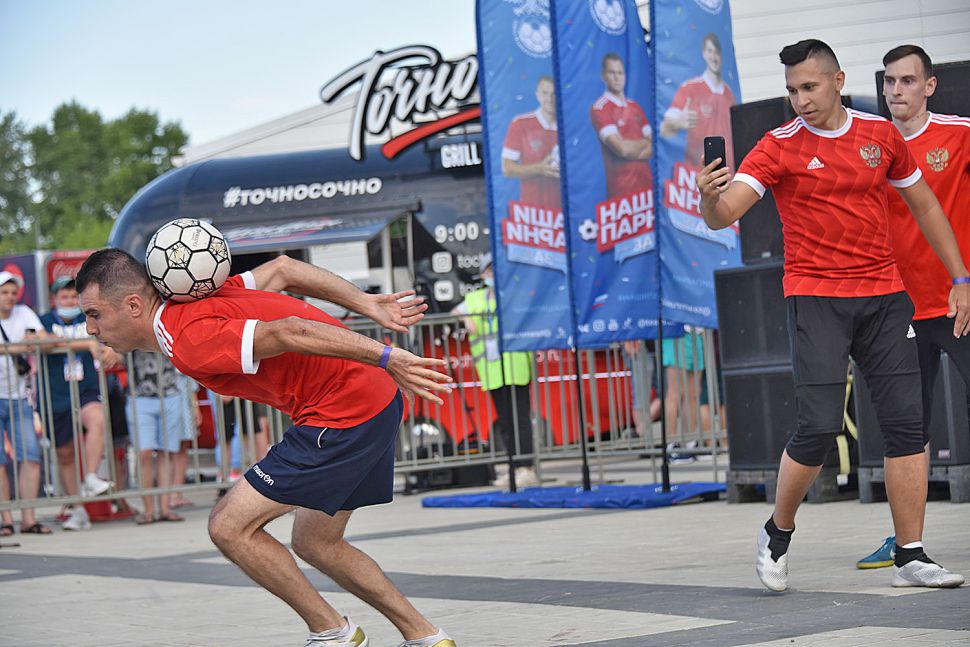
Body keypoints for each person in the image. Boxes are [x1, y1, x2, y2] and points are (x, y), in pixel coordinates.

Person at [76, 250, 457, 647]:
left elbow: (289, 330)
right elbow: (283, 269)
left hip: (343, 410)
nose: (89, 328)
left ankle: (333, 633)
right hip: (368, 400)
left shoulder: (186, 337)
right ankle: (427, 638)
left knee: (229, 526)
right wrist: (365, 303)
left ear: (133, 305)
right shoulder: (196, 294)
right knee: (317, 543)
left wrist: (387, 356)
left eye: (94, 314)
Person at [697, 38, 967, 590]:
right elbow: (724, 215)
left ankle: (910, 555)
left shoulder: (880, 135)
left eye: (809, 87)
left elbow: (925, 206)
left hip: (885, 297)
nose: (800, 100)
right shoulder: (777, 146)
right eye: (792, 90)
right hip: (816, 297)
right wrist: (708, 197)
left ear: (838, 81)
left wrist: (960, 277)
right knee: (817, 427)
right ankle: (777, 532)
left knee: (906, 426)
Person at [856, 45, 970, 571]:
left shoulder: (959, 134)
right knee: (908, 430)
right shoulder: (870, 145)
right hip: (897, 310)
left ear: (929, 86)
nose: (896, 90)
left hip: (957, 301)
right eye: (889, 81)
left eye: (906, 80)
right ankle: (906, 540)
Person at [450, 256, 537, 488]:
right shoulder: (476, 298)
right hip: (492, 370)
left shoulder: (513, 295)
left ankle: (527, 468)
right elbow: (454, 310)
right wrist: (466, 318)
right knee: (505, 423)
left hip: (516, 366)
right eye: (489, 271)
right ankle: (514, 468)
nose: (492, 275)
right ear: (482, 275)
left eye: (496, 270)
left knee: (520, 420)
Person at [39, 275, 116, 532]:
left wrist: (111, 349)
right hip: (56, 392)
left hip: (85, 388)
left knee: (97, 418)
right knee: (65, 454)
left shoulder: (89, 318)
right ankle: (78, 508)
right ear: (55, 299)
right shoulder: (44, 320)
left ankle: (91, 476)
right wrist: (84, 344)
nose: (70, 300)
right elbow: (43, 342)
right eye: (65, 296)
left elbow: (111, 340)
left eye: (74, 296)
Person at [0, 271, 51, 535]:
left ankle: (29, 518)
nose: (10, 297)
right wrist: (19, 347)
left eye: (12, 292)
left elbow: (46, 338)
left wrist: (33, 340)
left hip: (19, 395)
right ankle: (6, 518)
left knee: (31, 456)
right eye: (4, 292)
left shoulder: (24, 313)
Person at [126, 349, 188, 524]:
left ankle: (165, 508)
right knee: (144, 453)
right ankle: (149, 510)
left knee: (167, 453)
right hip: (139, 395)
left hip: (170, 393)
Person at [660, 33, 738, 169]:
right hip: (697, 172)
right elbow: (664, 128)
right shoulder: (690, 88)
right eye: (710, 51)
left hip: (728, 173)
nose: (714, 57)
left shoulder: (729, 94)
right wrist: (678, 121)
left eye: (716, 52)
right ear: (704, 54)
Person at [590, 52, 653, 198]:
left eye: (620, 73)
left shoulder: (635, 107)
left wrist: (630, 148)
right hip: (620, 192)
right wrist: (644, 144)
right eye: (612, 72)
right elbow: (621, 149)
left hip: (646, 189)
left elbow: (654, 148)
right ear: (603, 76)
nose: (617, 78)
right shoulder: (600, 108)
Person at [501, 75, 561, 209]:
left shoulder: (569, 126)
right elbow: (507, 169)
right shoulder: (521, 123)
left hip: (564, 209)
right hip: (533, 211)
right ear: (537, 95)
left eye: (554, 94)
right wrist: (539, 169)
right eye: (545, 93)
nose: (550, 99)